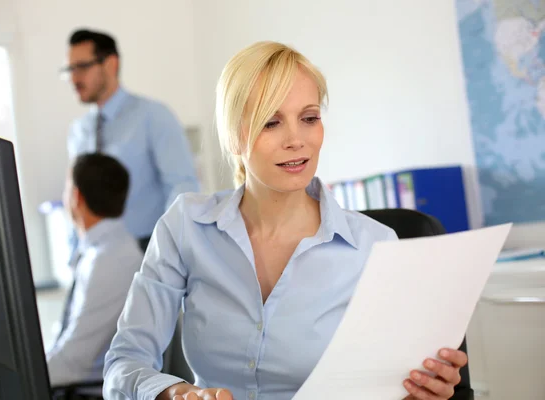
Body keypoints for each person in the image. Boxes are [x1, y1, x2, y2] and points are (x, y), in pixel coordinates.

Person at [102, 41, 469, 400]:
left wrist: (422, 391)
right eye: (271, 122)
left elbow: (394, 381)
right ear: (235, 136)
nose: (296, 139)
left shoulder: (375, 246)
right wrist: (173, 392)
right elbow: (124, 363)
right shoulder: (186, 226)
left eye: (309, 118)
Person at [63, 29, 200, 252]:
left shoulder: (153, 116)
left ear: (110, 64)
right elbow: (75, 198)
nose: (73, 78)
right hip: (93, 254)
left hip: (148, 250)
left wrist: (168, 249)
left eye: (82, 67)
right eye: (70, 69)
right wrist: (74, 255)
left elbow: (182, 187)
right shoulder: (78, 131)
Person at [47, 153, 143, 388]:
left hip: (83, 390)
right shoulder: (104, 251)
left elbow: (74, 361)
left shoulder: (109, 260)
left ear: (76, 196)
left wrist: (23, 375)